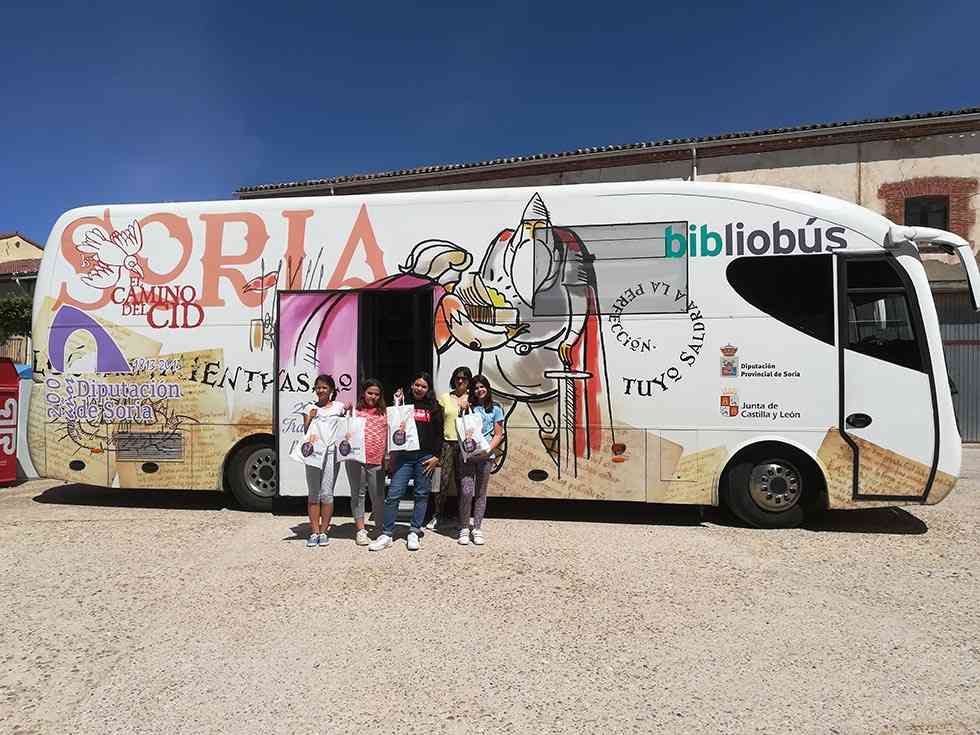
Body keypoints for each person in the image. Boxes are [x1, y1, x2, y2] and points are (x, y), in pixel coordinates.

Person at [369, 372, 443, 552]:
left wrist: (436, 457)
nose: (420, 388)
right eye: (417, 385)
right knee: (393, 495)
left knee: (421, 495)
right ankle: (387, 534)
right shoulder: (403, 404)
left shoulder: (434, 408)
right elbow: (394, 425)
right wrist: (397, 402)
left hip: (425, 458)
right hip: (404, 457)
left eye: (424, 386)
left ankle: (414, 532)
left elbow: (439, 434)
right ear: (411, 385)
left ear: (428, 389)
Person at [457, 374, 504, 546]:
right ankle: (463, 528)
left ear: (487, 388)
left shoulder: (496, 408)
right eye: (476, 388)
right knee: (467, 491)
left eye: (482, 386)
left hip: (486, 456)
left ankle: (476, 528)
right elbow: (461, 427)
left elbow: (498, 434)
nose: (479, 390)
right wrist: (462, 406)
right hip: (468, 455)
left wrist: (487, 450)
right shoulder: (469, 405)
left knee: (481, 493)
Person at [304, 374, 347, 547]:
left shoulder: (339, 407)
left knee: (327, 492)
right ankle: (314, 532)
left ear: (331, 390)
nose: (321, 390)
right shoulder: (309, 407)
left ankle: (324, 531)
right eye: (318, 387)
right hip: (313, 453)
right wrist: (312, 417)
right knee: (313, 492)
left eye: (324, 387)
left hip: (331, 453)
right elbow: (306, 432)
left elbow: (346, 426)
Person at [343, 379, 388, 545]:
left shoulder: (384, 413)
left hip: (376, 459)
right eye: (370, 393)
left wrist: (400, 401)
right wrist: (346, 412)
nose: (373, 397)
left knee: (377, 495)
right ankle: (360, 529)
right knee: (358, 493)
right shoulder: (354, 411)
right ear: (363, 393)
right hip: (356, 458)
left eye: (377, 394)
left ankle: (380, 527)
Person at [428, 366, 472, 531]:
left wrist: (468, 404)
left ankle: (463, 518)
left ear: (469, 381)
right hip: (447, 443)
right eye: (457, 377)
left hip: (465, 445)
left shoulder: (472, 398)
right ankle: (437, 515)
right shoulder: (445, 398)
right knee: (443, 482)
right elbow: (437, 422)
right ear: (453, 379)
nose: (460, 380)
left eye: (464, 378)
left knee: (463, 482)